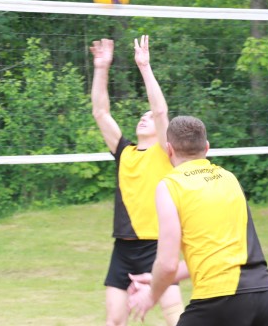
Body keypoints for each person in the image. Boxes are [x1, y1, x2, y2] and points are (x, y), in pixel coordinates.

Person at [128, 115, 268, 325]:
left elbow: (167, 264)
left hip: (219, 300)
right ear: (206, 147)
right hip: (264, 296)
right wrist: (157, 280)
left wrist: (151, 295)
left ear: (169, 150)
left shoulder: (171, 186)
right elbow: (212, 254)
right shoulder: (229, 178)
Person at [90, 36, 183, 326]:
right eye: (141, 116)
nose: (145, 118)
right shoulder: (124, 152)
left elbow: (160, 110)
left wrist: (144, 66)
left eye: (149, 118)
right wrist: (101, 68)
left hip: (156, 246)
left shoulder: (164, 152)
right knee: (114, 321)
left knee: (175, 318)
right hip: (123, 248)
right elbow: (100, 112)